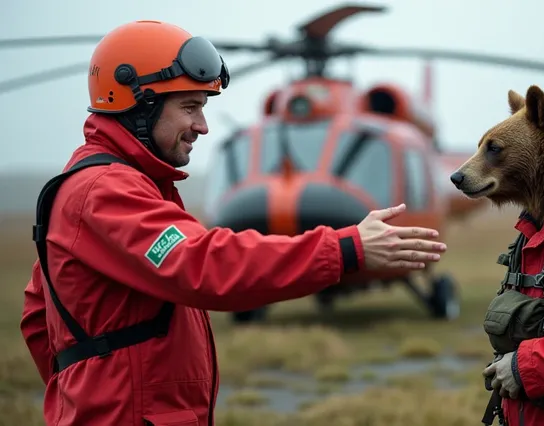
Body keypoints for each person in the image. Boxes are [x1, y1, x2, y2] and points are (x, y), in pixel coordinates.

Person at [19, 20, 446, 426]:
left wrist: (82, 390)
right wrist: (345, 247)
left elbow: (39, 317)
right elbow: (204, 265)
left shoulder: (118, 184)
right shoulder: (107, 191)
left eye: (203, 109)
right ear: (140, 103)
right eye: (189, 107)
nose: (201, 126)